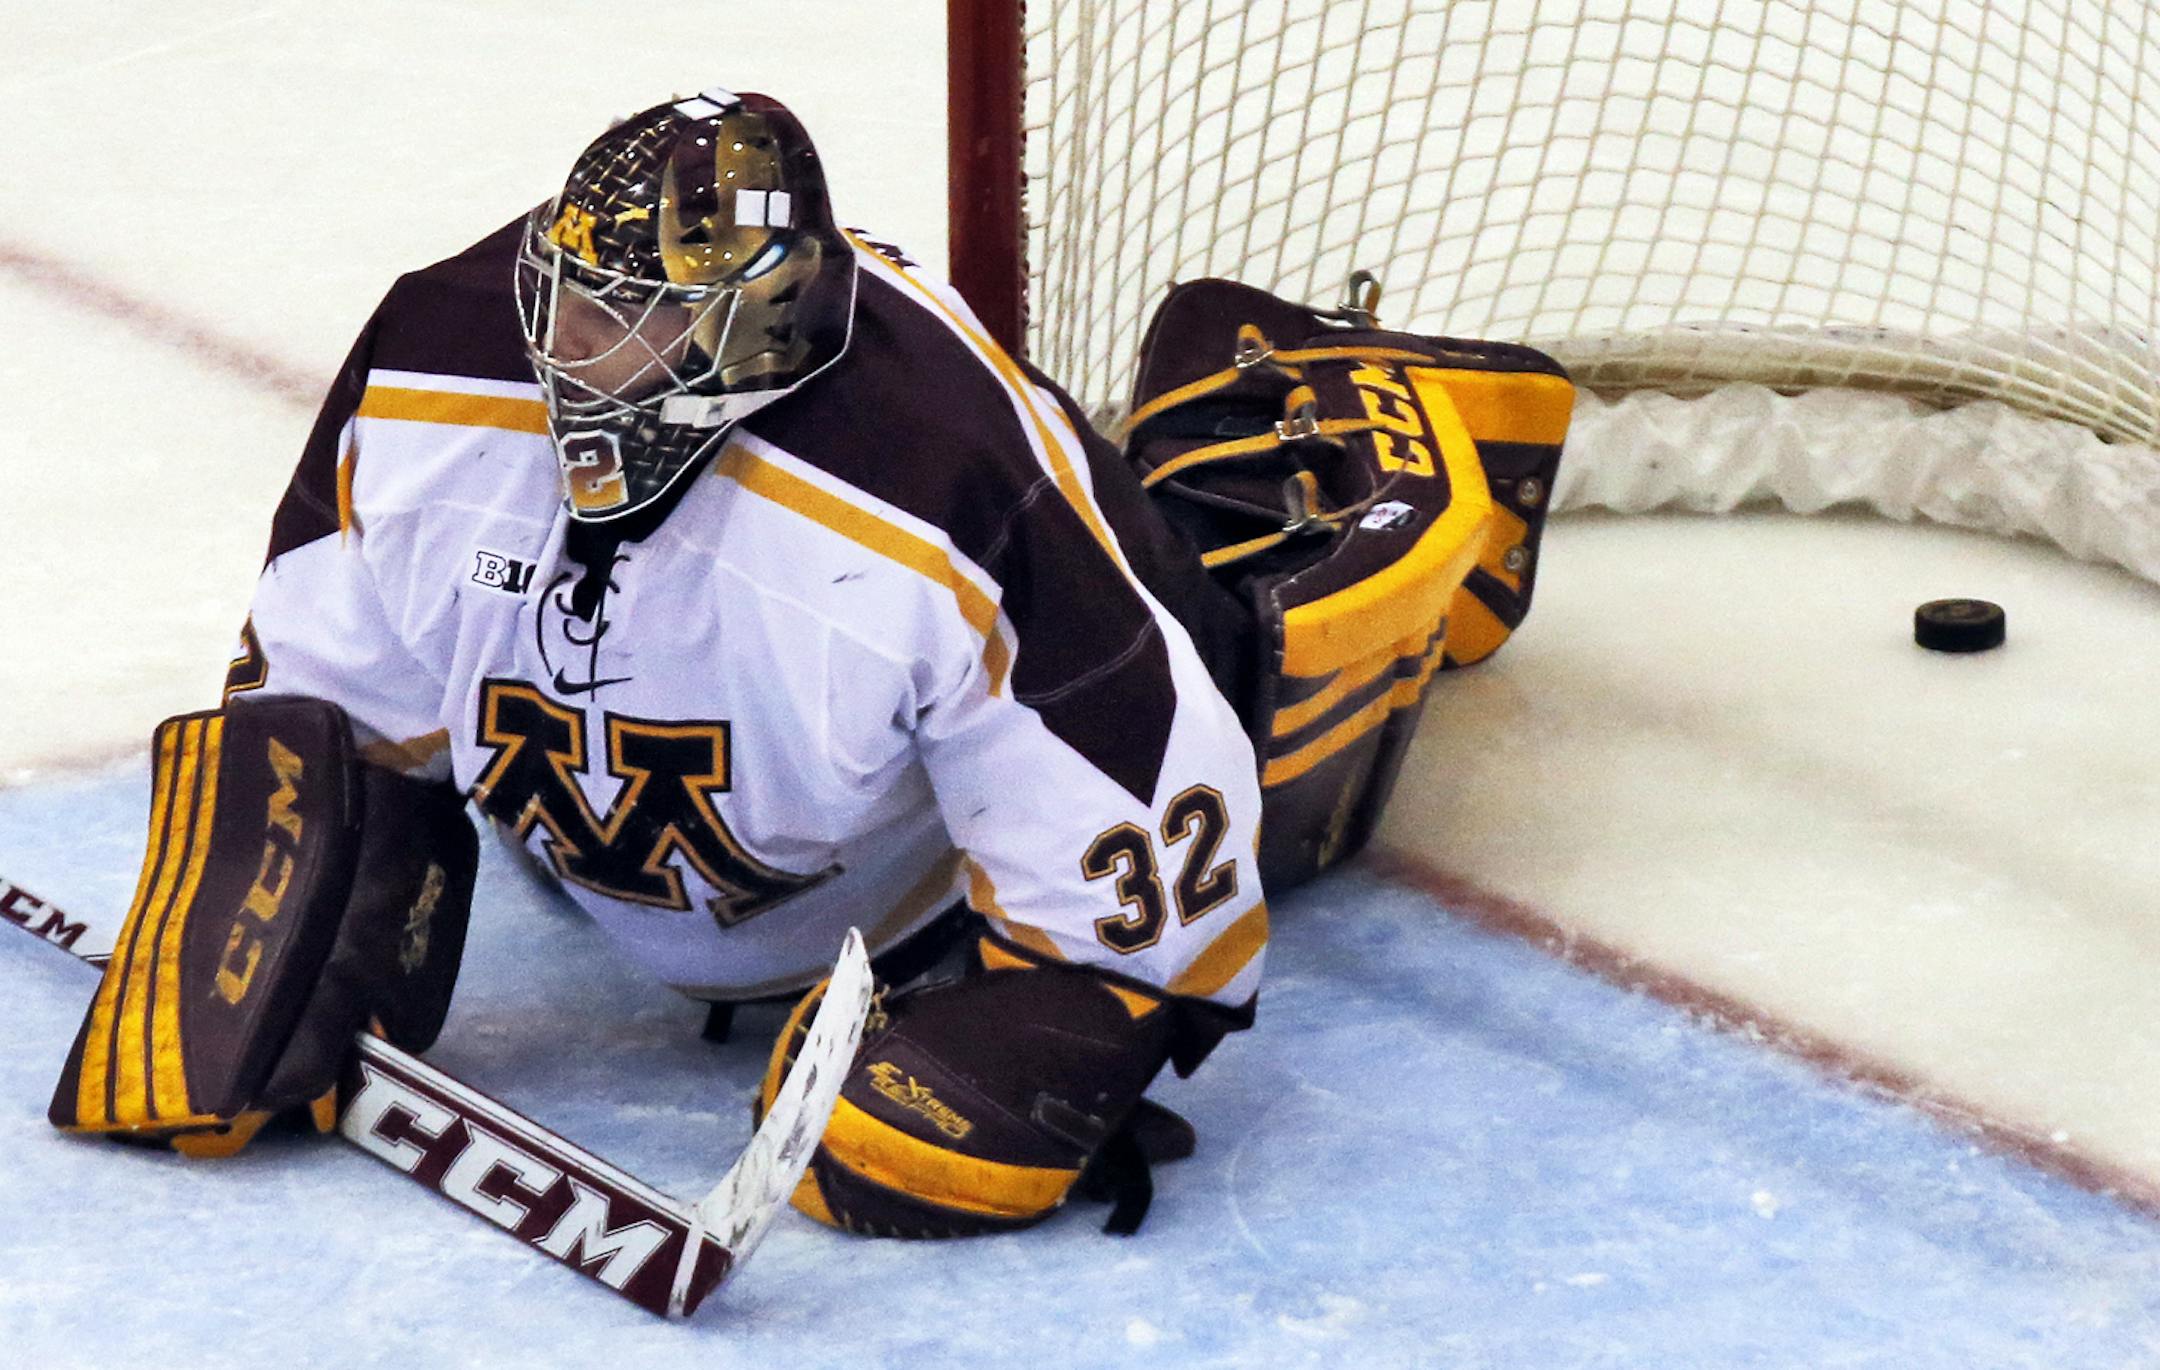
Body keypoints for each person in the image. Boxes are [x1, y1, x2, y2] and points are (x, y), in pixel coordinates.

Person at [48, 88, 1572, 1239]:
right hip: (675, 845)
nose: (581, 361)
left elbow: (1154, 845)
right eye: (572, 304)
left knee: (1275, 679)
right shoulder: (439, 360)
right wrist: (285, 886)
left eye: (641, 329)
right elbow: (331, 713)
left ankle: (1358, 410)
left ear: (756, 329)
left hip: (924, 903)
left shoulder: (944, 479)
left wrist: (1057, 1020)